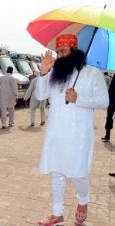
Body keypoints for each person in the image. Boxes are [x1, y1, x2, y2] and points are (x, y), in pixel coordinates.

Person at [35, 34, 109, 226]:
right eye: (58, 52)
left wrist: (79, 99)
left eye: (64, 51)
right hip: (56, 133)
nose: (60, 55)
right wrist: (43, 72)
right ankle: (57, 213)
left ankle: (83, 201)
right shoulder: (55, 73)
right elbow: (41, 95)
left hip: (79, 136)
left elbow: (104, 101)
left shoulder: (92, 72)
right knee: (56, 172)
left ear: (74, 50)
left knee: (78, 174)